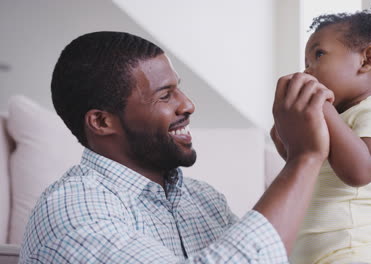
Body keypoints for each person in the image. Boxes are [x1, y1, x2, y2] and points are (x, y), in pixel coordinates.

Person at [19, 31, 334, 263]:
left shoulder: (204, 200)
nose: (189, 105)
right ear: (102, 122)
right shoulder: (74, 215)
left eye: (178, 88)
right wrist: (303, 160)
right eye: (165, 95)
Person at [271, 4, 371, 264]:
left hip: (356, 253)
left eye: (318, 54)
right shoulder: (335, 120)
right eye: (306, 62)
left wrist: (322, 106)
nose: (307, 70)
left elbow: (361, 169)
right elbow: (307, 164)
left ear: (366, 59)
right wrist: (284, 131)